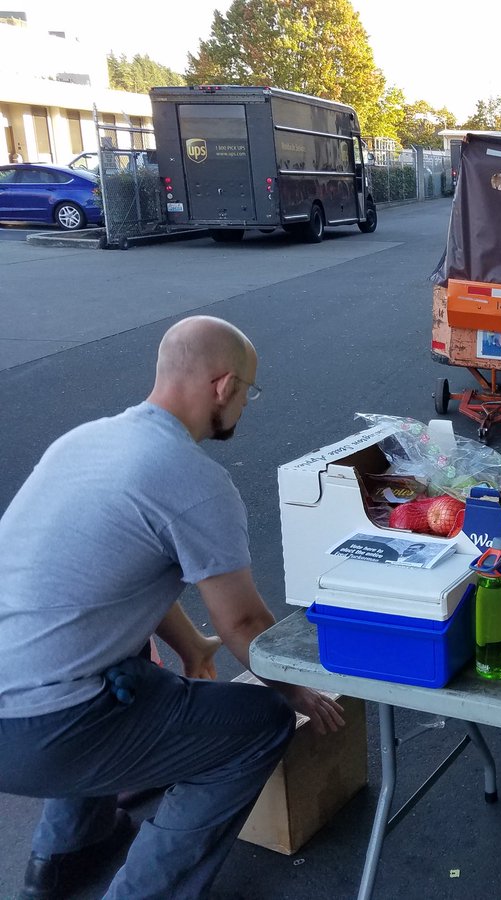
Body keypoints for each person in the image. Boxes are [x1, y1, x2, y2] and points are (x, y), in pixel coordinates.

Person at [0, 315, 344, 900]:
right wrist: (295, 693)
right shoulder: (192, 479)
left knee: (121, 653)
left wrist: (191, 647)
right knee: (258, 725)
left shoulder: (84, 441)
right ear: (223, 386)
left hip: (18, 703)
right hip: (42, 731)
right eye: (248, 391)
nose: (244, 405)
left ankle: (64, 854)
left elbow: (118, 578)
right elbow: (245, 625)